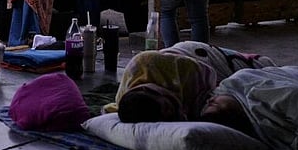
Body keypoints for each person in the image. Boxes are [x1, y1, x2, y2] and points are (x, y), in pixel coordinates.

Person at [107, 41, 276, 123]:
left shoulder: (147, 65)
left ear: (154, 90)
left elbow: (208, 75)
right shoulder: (129, 100)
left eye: (167, 106)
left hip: (203, 57)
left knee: (260, 81)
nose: (173, 111)